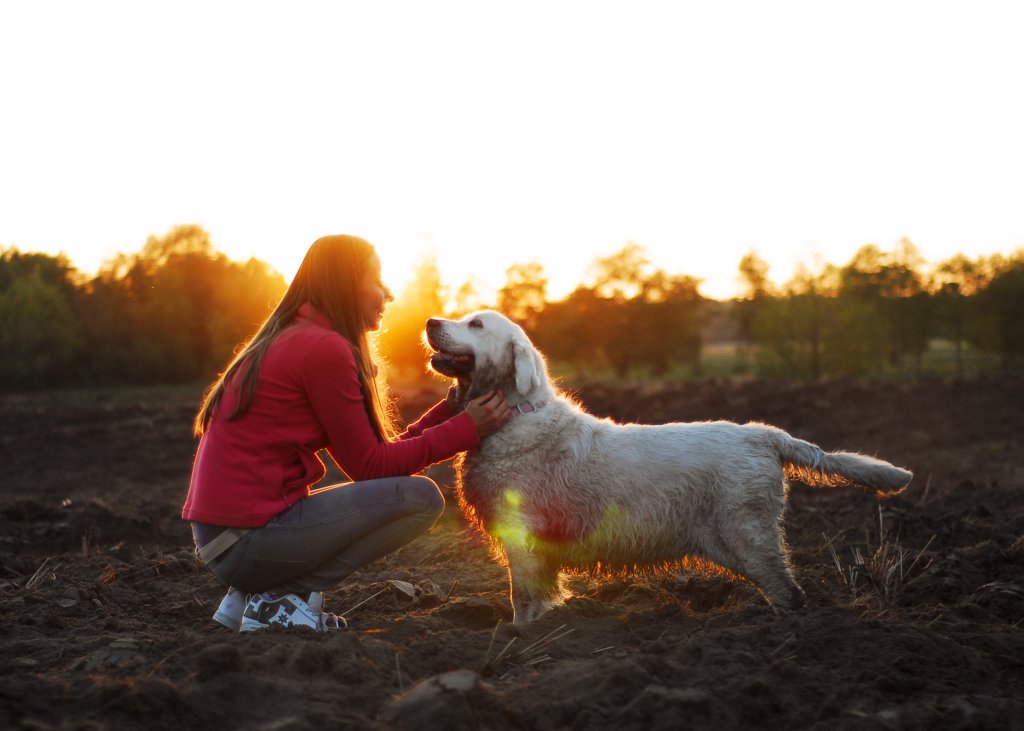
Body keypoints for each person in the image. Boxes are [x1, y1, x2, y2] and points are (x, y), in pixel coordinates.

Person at [182, 234, 510, 632]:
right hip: (245, 542)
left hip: (229, 539)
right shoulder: (323, 348)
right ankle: (278, 597)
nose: (388, 293)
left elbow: (377, 458)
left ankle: (250, 597)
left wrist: (451, 413)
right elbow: (372, 469)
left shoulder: (295, 336)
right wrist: (465, 430)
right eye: (377, 280)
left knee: (404, 490)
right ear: (346, 284)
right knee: (421, 499)